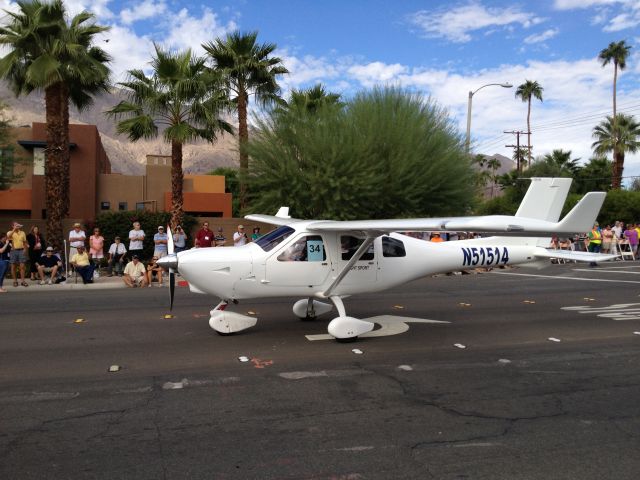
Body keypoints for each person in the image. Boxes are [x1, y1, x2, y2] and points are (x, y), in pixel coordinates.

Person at [7, 222, 28, 287]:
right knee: (13, 266)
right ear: (12, 226)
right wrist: (14, 229)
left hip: (21, 250)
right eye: (16, 225)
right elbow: (8, 236)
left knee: (22, 266)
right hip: (13, 251)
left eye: (18, 225)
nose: (17, 226)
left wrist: (25, 249)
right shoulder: (10, 232)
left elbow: (25, 242)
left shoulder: (22, 232)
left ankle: (23, 281)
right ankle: (15, 281)